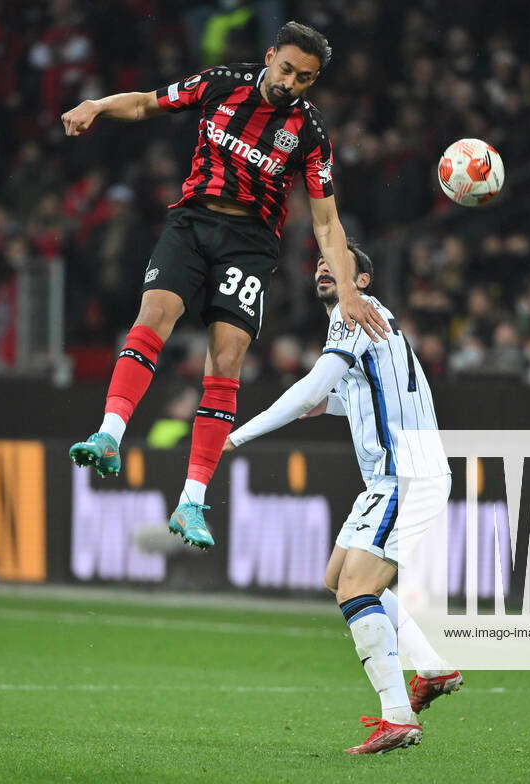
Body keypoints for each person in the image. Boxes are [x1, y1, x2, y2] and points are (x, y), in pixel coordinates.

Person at [63, 21, 388, 550]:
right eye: (286, 69)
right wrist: (97, 105)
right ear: (269, 56)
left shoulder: (309, 133)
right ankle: (109, 435)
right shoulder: (220, 83)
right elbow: (147, 103)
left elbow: (327, 223)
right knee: (154, 316)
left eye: (304, 78)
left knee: (227, 360)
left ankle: (191, 500)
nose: (291, 82)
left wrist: (348, 290)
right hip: (191, 223)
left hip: (250, 243)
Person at [224, 239, 460, 754]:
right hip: (392, 477)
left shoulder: (356, 316)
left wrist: (237, 434)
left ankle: (397, 716)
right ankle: (433, 668)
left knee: (357, 589)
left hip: (405, 475)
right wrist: (327, 403)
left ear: (363, 281)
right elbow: (361, 394)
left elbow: (311, 388)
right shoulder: (369, 323)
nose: (325, 267)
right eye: (321, 263)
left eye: (339, 264)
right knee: (338, 578)